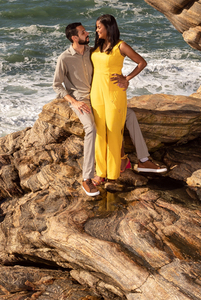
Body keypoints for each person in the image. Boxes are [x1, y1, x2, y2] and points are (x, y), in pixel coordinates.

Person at [53, 19, 168, 197]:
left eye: (95, 28)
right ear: (75, 38)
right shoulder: (65, 58)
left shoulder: (91, 51)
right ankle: (88, 177)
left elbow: (114, 65)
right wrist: (74, 102)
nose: (90, 32)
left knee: (130, 116)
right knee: (93, 129)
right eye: (84, 32)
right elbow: (57, 85)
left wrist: (126, 79)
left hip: (103, 96)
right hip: (84, 100)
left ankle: (143, 160)